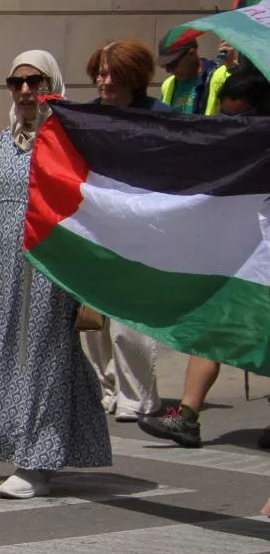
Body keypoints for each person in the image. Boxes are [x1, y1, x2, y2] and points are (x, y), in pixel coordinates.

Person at [0, 52, 112, 499]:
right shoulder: (8, 140)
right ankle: (42, 443)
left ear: (52, 85)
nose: (26, 91)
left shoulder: (67, 143)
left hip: (45, 268)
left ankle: (34, 462)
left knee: (33, 361)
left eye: (36, 81)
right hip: (1, 268)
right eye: (16, 83)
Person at [138, 68, 270, 451]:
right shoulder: (240, 142)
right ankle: (187, 416)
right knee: (211, 322)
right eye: (229, 117)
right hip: (239, 251)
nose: (236, 124)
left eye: (244, 115)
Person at [82, 39, 163, 421]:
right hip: (96, 230)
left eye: (113, 73)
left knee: (130, 323)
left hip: (140, 231)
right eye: (100, 72)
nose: (105, 80)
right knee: (94, 321)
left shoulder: (160, 118)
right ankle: (109, 386)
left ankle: (138, 396)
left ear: (135, 77)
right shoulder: (84, 118)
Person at [156, 29, 224, 115]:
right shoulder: (168, 85)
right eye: (165, 65)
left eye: (173, 63)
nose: (168, 70)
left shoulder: (219, 77)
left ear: (192, 54)